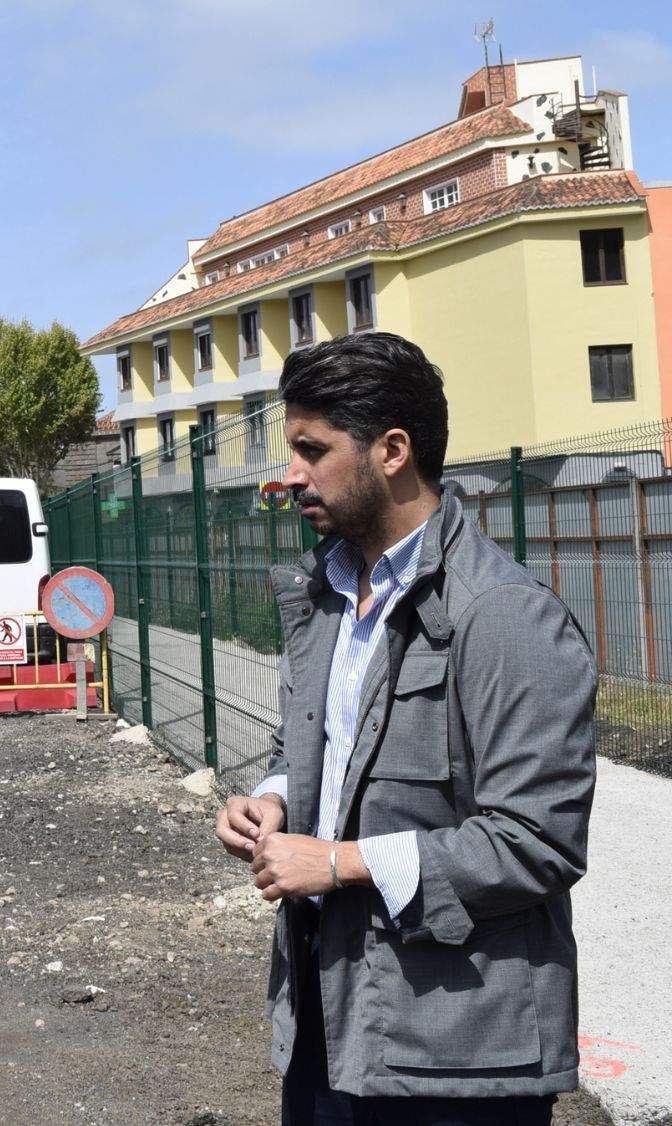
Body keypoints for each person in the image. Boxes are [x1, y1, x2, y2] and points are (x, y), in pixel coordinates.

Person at [213, 332, 596, 1124]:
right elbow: (314, 743)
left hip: (458, 1057)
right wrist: (276, 798)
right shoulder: (327, 594)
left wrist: (341, 863)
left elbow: (537, 841)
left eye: (311, 450)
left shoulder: (504, 617)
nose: (289, 476)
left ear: (392, 451)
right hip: (333, 1020)